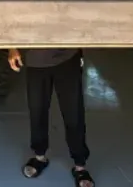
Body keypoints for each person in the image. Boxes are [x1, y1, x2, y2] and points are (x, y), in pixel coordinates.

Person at [9, 48, 94, 187]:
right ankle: (39, 156)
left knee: (73, 112)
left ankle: (80, 165)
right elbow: (9, 25)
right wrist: (12, 48)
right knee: (37, 109)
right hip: (35, 61)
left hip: (68, 57)